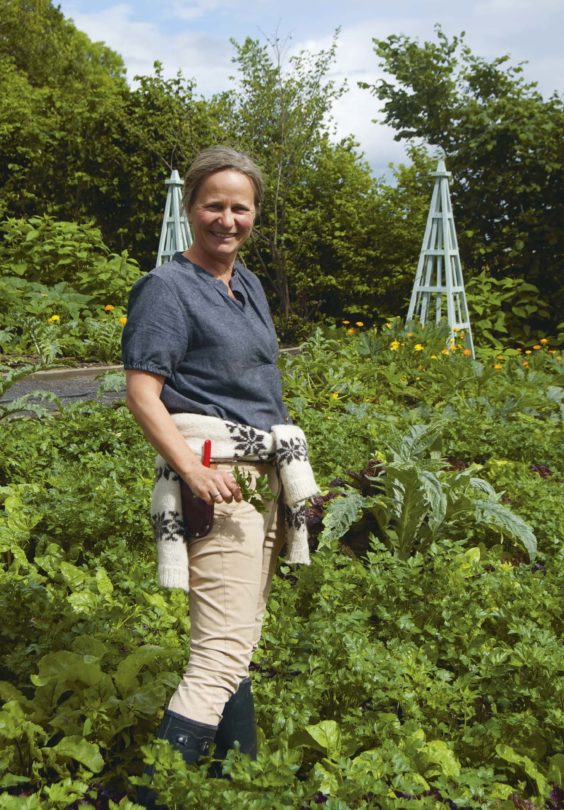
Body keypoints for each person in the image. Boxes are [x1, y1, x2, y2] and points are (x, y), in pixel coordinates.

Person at [121, 146, 317, 798]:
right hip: (216, 478)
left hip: (260, 480)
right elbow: (143, 392)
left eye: (240, 207)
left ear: (254, 214)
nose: (226, 219)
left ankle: (238, 779)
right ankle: (154, 795)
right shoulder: (167, 288)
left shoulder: (248, 284)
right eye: (214, 205)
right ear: (191, 209)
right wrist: (191, 470)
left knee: (235, 638)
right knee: (218, 656)